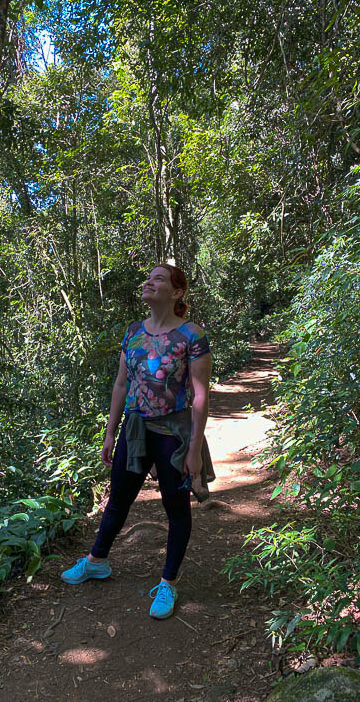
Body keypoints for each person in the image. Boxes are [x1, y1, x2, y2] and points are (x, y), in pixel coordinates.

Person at [61, 264, 212, 619]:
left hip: (173, 433)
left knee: (175, 510)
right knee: (118, 499)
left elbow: (202, 396)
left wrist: (194, 450)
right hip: (134, 429)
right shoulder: (133, 332)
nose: (149, 282)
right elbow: (120, 384)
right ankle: (97, 561)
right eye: (149, 278)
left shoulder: (192, 335)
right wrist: (110, 431)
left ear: (177, 293)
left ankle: (168, 583)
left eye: (158, 278)